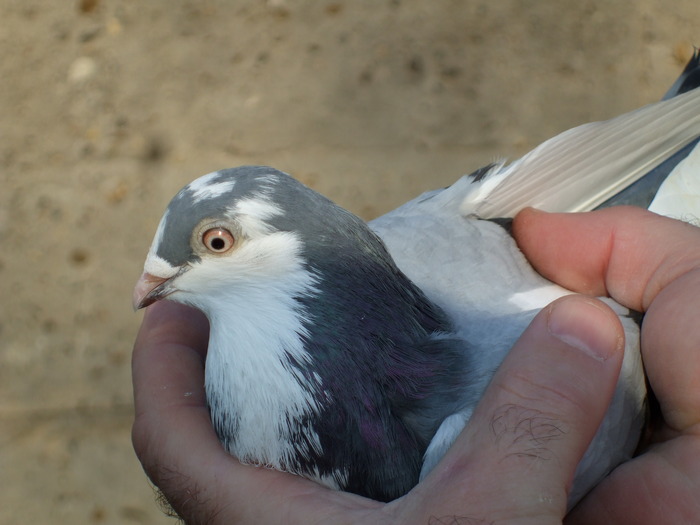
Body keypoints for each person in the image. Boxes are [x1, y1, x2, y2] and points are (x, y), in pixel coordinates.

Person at [131, 206, 700, 524]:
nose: (147, 284)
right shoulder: (371, 254)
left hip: (638, 299)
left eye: (215, 241)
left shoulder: (466, 435)